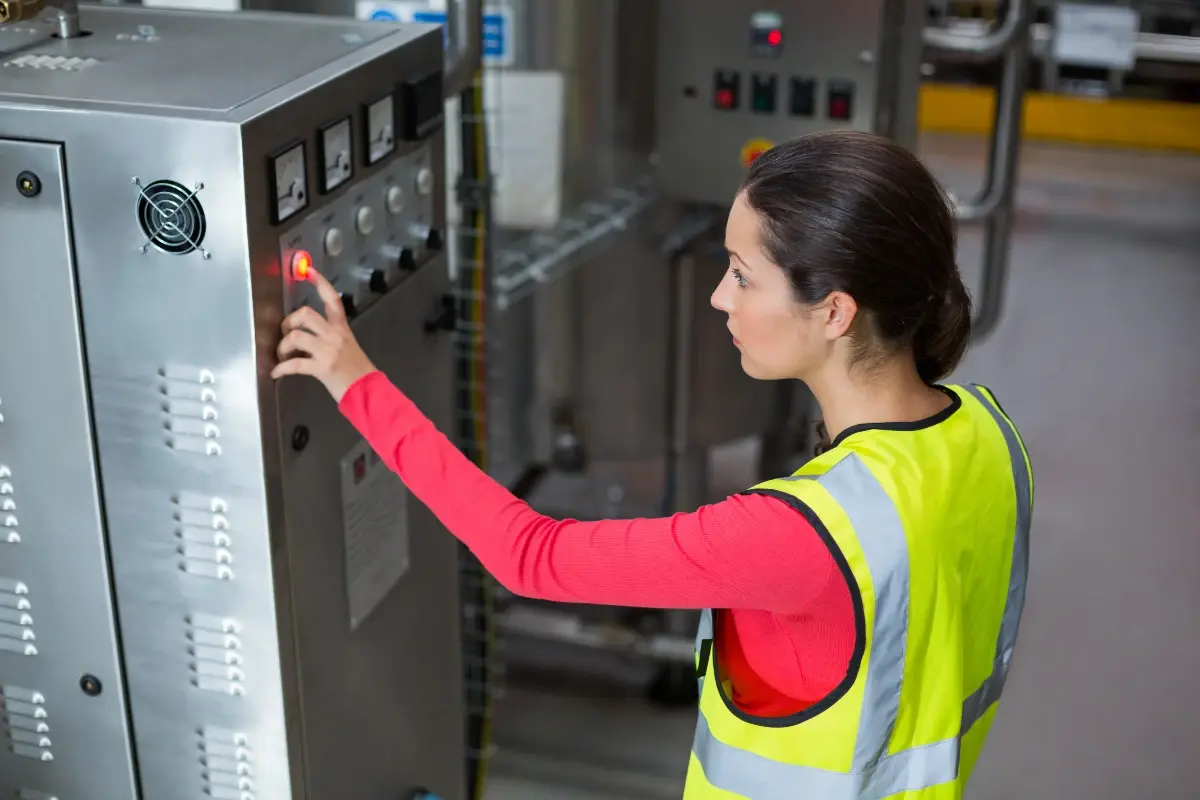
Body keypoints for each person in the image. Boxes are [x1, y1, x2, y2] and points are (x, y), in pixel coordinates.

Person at [271, 130, 1032, 800]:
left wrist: (355, 381)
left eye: (741, 274)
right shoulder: (992, 438)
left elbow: (527, 555)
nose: (716, 297)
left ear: (834, 312)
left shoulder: (799, 535)